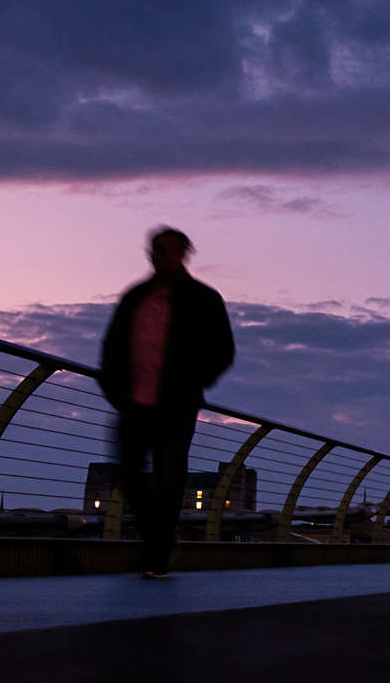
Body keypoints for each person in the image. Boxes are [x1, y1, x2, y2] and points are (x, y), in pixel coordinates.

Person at [99, 227, 236, 579]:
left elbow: (223, 349)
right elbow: (112, 347)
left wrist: (194, 382)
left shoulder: (204, 298)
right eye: (160, 250)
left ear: (185, 254)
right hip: (133, 403)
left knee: (170, 476)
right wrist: (115, 390)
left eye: (173, 250)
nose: (166, 257)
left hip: (176, 404)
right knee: (128, 471)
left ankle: (157, 554)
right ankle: (158, 538)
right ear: (151, 254)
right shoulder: (136, 298)